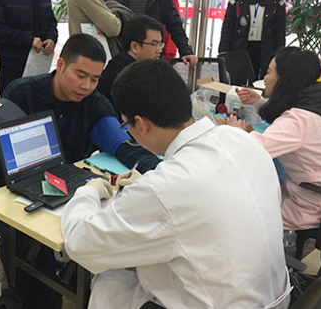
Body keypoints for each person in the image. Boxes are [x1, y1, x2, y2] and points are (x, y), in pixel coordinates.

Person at [62, 58, 291, 309]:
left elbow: (80, 245)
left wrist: (88, 192)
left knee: (109, 280)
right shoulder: (240, 140)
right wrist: (147, 187)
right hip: (273, 297)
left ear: (141, 124)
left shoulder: (164, 188)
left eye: (126, 125)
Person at [0, 33, 161, 309]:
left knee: (100, 227)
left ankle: (73, 287)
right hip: (9, 187)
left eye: (95, 79)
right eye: (80, 75)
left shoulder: (94, 102)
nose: (86, 86)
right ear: (60, 65)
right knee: (31, 251)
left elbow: (121, 145)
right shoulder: (22, 93)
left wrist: (163, 170)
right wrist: (21, 179)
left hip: (64, 184)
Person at [229, 47, 321, 231]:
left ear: (285, 79)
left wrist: (237, 132)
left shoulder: (299, 119)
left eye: (269, 72)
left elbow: (255, 150)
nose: (264, 78)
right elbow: (285, 117)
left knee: (245, 217)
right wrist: (259, 102)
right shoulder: (320, 101)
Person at [219, 0, 286, 79]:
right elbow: (228, 23)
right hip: (241, 44)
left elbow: (280, 27)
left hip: (265, 46)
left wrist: (280, 53)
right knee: (238, 79)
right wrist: (223, 49)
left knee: (260, 81)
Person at [97, 14, 163, 106]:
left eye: (160, 44)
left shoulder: (122, 62)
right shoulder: (127, 76)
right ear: (134, 46)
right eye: (154, 44)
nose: (160, 50)